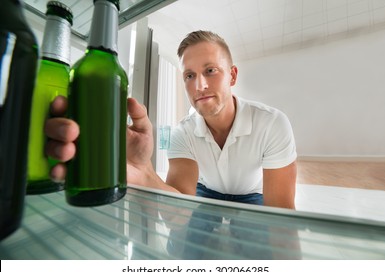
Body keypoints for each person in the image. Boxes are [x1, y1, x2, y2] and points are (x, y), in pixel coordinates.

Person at [45, 30, 297, 210]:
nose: (199, 85)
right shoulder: (182, 132)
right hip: (205, 192)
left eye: (210, 70)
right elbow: (177, 213)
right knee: (179, 244)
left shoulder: (272, 123)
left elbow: (283, 220)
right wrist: (144, 175)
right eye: (189, 75)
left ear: (232, 76)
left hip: (250, 195)